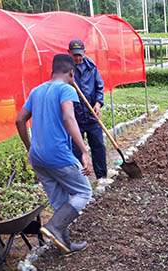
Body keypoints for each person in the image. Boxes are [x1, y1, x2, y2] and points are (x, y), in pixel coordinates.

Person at [15, 54, 93, 254]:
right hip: (57, 154)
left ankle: (64, 244)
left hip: (38, 156)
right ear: (71, 73)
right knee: (84, 192)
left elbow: (19, 120)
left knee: (59, 201)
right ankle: (54, 227)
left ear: (51, 72)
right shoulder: (66, 88)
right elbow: (69, 118)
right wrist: (84, 151)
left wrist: (29, 148)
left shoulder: (36, 90)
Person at [68, 39, 107, 179]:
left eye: (80, 55)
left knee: (98, 146)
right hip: (75, 117)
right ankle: (80, 179)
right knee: (76, 149)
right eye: (74, 55)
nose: (77, 58)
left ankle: (101, 176)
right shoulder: (65, 70)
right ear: (69, 53)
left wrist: (98, 103)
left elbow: (99, 87)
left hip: (92, 115)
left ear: (84, 53)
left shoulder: (92, 67)